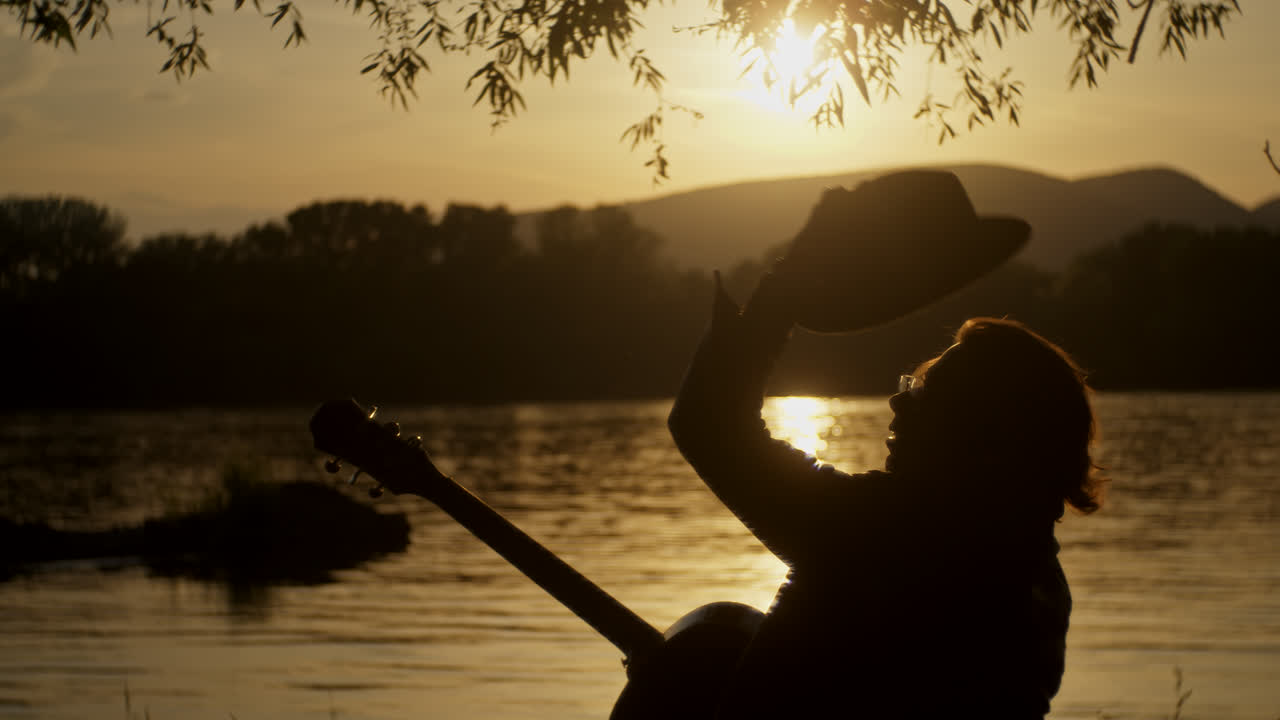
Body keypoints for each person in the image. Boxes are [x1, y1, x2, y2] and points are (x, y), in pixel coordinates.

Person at [668, 261, 1105, 717]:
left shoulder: (889, 533)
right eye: (910, 383)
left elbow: (705, 425)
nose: (898, 400)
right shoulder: (1038, 575)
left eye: (925, 393)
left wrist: (774, 303)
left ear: (980, 432)